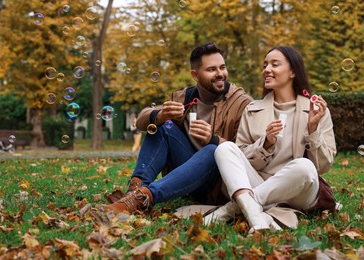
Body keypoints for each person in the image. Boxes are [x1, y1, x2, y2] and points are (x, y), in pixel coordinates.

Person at [102, 42, 253, 214]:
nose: (220, 74)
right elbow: (142, 120)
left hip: (217, 184)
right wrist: (159, 116)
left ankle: (143, 197)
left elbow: (247, 153)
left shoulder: (242, 103)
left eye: (222, 67)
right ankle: (134, 191)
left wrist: (214, 139)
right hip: (186, 175)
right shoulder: (185, 97)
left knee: (213, 150)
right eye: (212, 69)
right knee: (161, 125)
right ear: (195, 75)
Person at [203, 46, 337, 233]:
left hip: (298, 192)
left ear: (293, 72)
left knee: (304, 166)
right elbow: (242, 155)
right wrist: (265, 144)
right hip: (259, 182)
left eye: (275, 64)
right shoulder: (252, 109)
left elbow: (322, 166)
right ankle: (257, 218)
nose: (266, 70)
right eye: (265, 65)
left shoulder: (316, 110)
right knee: (225, 149)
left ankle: (233, 208)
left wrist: (313, 129)